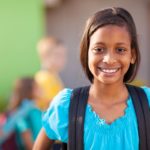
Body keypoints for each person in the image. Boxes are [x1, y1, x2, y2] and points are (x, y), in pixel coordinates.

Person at [33, 7, 150, 150]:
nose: (109, 59)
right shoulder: (67, 106)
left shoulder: (146, 103)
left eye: (120, 50)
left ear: (132, 55)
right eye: (99, 49)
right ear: (86, 52)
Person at [0, 77, 42, 150]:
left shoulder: (32, 108)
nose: (41, 90)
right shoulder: (26, 110)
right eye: (37, 87)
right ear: (29, 90)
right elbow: (25, 133)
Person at [35, 36, 67, 110]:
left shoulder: (53, 76)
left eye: (64, 55)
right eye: (58, 55)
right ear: (45, 56)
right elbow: (54, 104)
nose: (63, 59)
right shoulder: (44, 79)